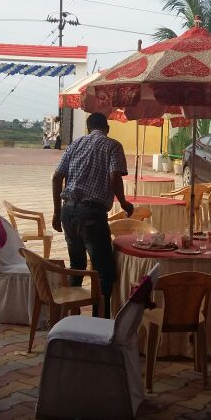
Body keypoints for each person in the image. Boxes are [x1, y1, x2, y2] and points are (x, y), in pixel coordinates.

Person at [51, 112, 134, 317]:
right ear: (107, 128)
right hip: (92, 215)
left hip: (68, 212)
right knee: (104, 272)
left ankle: (72, 317)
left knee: (77, 266)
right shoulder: (113, 146)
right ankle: (100, 320)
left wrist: (57, 212)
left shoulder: (75, 144)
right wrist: (124, 203)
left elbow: (56, 177)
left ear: (88, 128)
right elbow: (115, 177)